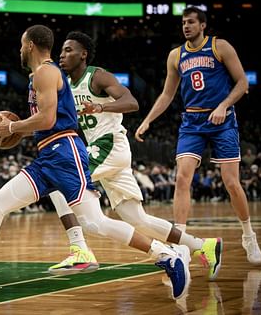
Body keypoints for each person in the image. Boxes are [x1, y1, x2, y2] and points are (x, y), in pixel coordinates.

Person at [0, 25, 191, 301]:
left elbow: (48, 120)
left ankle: (166, 255)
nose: (19, 49)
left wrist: (12, 129)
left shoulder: (46, 73)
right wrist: (18, 128)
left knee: (95, 223)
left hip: (65, 153)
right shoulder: (38, 76)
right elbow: (46, 123)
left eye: (21, 44)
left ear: (29, 46)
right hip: (49, 155)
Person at [47, 31, 222, 281]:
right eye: (61, 51)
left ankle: (79, 249)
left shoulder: (97, 76)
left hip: (109, 144)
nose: (62, 55)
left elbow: (132, 102)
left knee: (56, 180)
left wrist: (101, 106)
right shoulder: (66, 84)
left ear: (83, 54)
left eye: (68, 50)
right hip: (107, 152)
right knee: (138, 219)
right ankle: (203, 245)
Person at [134, 7, 261, 264]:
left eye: (191, 22)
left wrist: (223, 106)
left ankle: (248, 235)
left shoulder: (220, 46)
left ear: (203, 25)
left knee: (231, 183)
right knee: (182, 178)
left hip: (222, 120)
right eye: (183, 23)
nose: (186, 26)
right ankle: (181, 241)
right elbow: (167, 94)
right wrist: (148, 120)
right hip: (192, 121)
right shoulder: (175, 55)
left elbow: (242, 83)